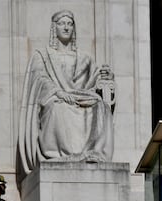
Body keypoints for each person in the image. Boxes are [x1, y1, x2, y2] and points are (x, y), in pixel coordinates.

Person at [17, 10, 115, 184]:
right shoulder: (43, 55)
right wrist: (58, 92)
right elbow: (40, 79)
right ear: (54, 28)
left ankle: (94, 152)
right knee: (58, 107)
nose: (66, 27)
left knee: (101, 106)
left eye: (70, 24)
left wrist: (105, 76)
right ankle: (63, 153)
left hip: (81, 97)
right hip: (56, 98)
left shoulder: (86, 58)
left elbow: (93, 82)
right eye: (62, 23)